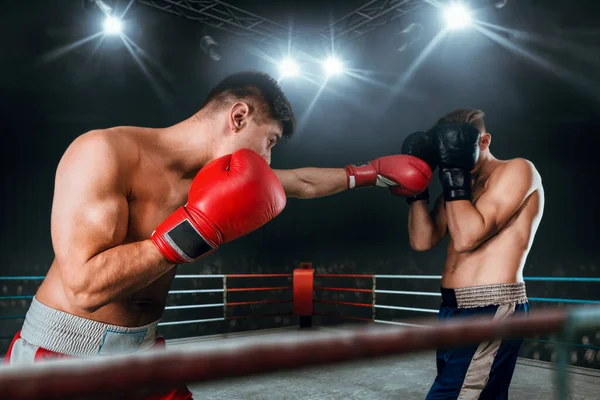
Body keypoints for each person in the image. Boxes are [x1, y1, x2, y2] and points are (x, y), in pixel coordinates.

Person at [3, 71, 431, 399]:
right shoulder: (104, 152)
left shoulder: (213, 183)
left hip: (144, 350)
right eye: (270, 141)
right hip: (63, 356)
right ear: (239, 116)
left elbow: (302, 181)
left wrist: (370, 174)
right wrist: (194, 230)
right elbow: (83, 286)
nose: (268, 157)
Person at [403, 108, 545, 399]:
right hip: (451, 307)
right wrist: (416, 190)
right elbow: (422, 239)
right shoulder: (460, 187)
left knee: (450, 394)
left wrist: (453, 173)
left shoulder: (517, 170)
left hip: (491, 306)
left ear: (484, 141)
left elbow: (468, 237)